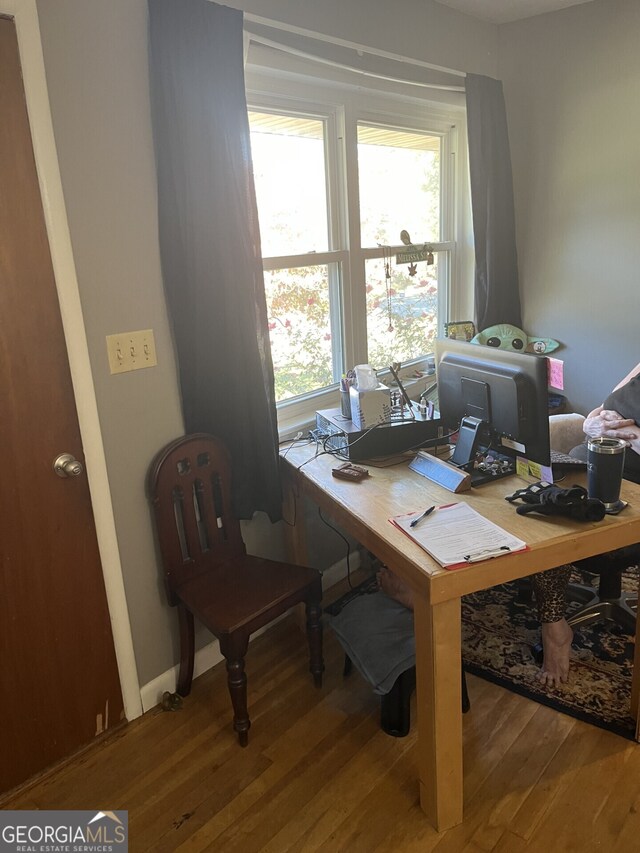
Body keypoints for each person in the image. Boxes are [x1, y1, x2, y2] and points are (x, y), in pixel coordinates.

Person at [379, 360, 640, 689]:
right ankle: (436, 582)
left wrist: (628, 437)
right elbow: (593, 416)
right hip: (583, 463)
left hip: (626, 485)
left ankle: (555, 628)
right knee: (520, 496)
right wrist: (595, 427)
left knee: (552, 521)